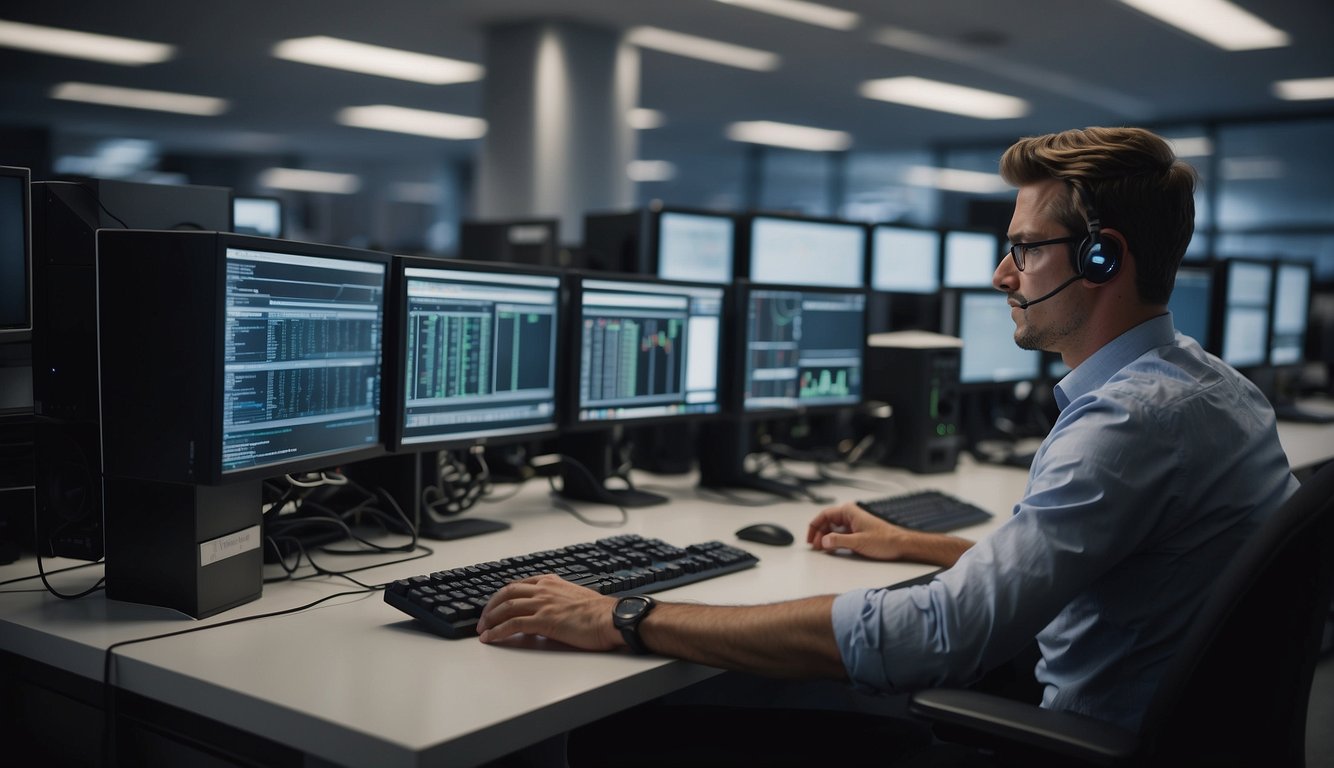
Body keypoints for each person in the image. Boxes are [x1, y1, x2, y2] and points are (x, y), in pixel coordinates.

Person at [477, 127, 1299, 739]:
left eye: (1023, 249)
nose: (1001, 274)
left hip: (1083, 740)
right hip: (1173, 732)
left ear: (1098, 259)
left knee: (672, 722)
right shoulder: (1215, 391)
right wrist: (914, 545)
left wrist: (628, 615)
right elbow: (1098, 559)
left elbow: (939, 636)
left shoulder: (1127, 423)